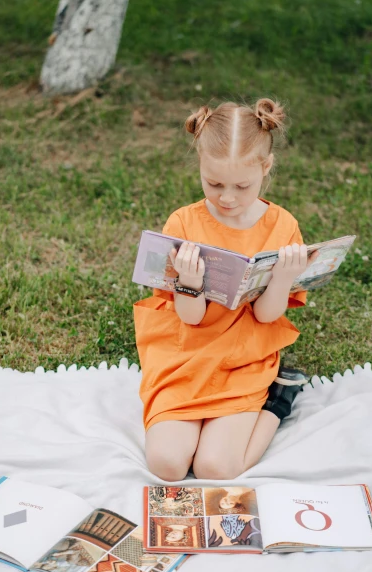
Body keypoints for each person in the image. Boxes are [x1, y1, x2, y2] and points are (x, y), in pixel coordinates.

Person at [133, 99, 314, 482]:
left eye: (241, 186)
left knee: (216, 469)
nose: (227, 198)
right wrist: (190, 284)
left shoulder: (282, 225)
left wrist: (282, 278)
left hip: (242, 355)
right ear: (199, 164)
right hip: (187, 350)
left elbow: (267, 316)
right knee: (166, 465)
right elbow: (190, 317)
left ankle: (277, 403)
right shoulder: (183, 221)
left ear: (265, 169)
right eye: (214, 184)